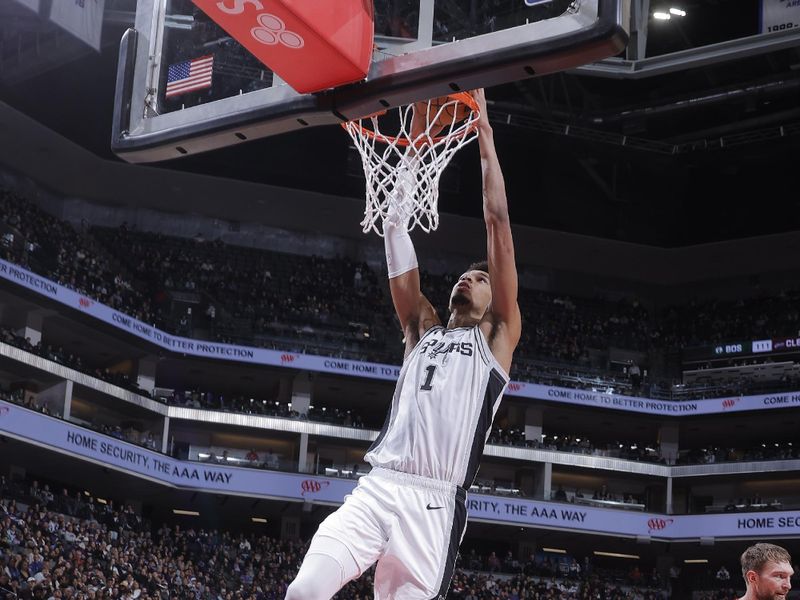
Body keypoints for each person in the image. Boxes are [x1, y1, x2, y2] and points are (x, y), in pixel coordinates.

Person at [285, 89, 521, 600]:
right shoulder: (421, 330)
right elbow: (394, 224)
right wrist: (413, 149)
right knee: (303, 593)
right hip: (379, 486)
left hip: (434, 506)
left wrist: (485, 135)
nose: (467, 279)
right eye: (462, 276)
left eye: (478, 277)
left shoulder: (498, 337)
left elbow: (497, 222)